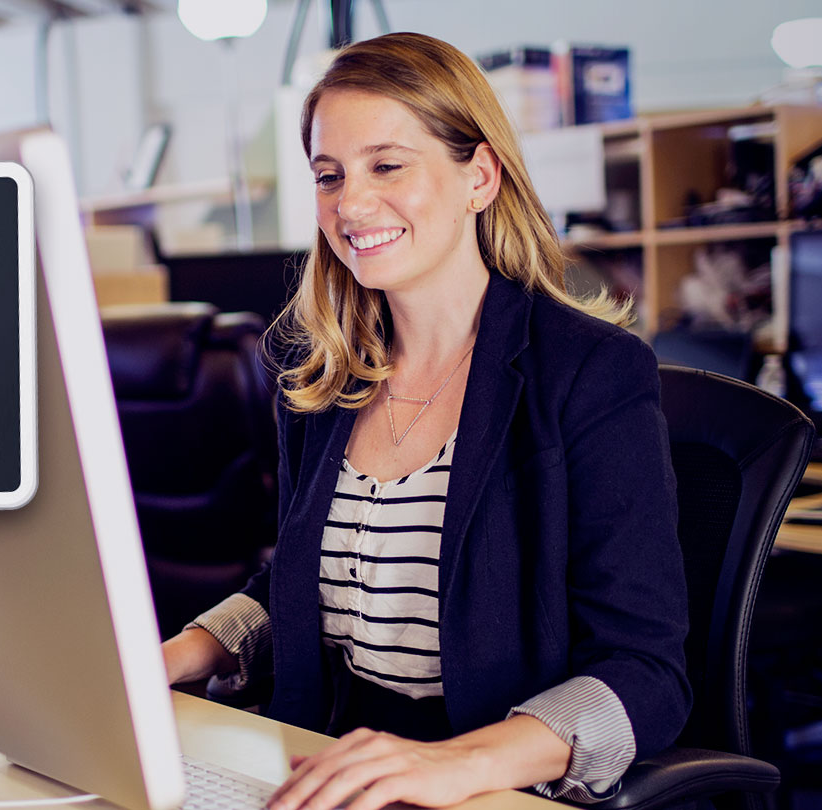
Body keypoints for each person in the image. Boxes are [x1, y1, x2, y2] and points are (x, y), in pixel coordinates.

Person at [160, 32, 690, 809]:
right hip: (332, 762)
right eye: (328, 175)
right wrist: (171, 655)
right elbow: (298, 586)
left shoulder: (587, 372)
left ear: (478, 175)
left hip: (492, 779)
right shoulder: (324, 377)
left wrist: (458, 765)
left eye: (387, 165)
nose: (351, 204)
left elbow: (645, 673)